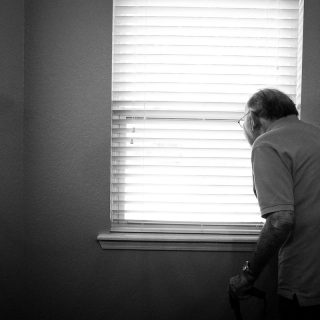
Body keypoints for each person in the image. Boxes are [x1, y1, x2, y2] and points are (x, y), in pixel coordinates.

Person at [229, 88, 320, 320]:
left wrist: (248, 276)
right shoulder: (316, 134)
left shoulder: (267, 144)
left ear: (253, 118)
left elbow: (280, 221)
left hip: (304, 279)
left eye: (243, 121)